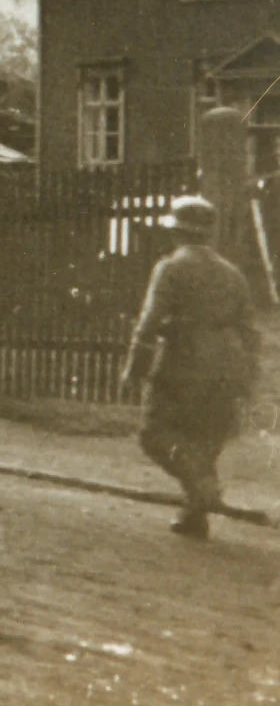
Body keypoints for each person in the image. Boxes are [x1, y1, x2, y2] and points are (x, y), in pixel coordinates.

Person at [119, 195, 260, 540]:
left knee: (154, 434)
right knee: (204, 436)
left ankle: (201, 487)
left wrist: (134, 368)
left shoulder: (170, 267)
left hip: (185, 359)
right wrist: (247, 376)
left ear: (177, 232)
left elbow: (149, 323)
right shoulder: (233, 273)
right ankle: (195, 517)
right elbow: (250, 331)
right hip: (228, 363)